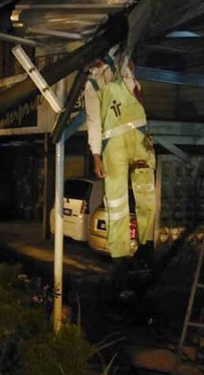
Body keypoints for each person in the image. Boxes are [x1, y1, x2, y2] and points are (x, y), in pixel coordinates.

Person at [84, 45, 156, 298]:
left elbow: (137, 93)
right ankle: (121, 259)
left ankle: (147, 247)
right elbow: (93, 122)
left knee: (147, 192)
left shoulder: (121, 61)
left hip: (138, 132)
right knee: (116, 203)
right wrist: (96, 155)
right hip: (112, 142)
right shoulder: (91, 86)